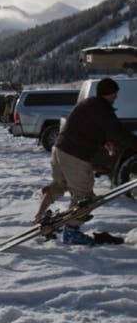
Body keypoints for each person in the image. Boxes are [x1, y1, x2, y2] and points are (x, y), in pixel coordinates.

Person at [33, 77, 135, 243]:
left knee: (60, 184)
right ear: (108, 93)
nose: (116, 96)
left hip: (59, 150)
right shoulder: (102, 109)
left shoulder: (89, 104)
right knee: (85, 197)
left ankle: (40, 214)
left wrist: (105, 142)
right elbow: (119, 132)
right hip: (75, 155)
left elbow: (88, 128)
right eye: (114, 93)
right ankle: (71, 232)